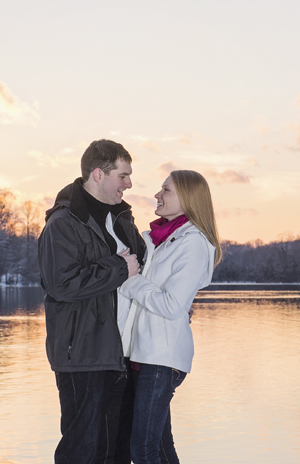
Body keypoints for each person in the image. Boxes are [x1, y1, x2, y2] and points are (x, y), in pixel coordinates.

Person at [38, 139, 146, 464]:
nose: (129, 183)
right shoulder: (63, 224)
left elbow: (143, 269)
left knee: (114, 453)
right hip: (83, 355)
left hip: (122, 354)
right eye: (123, 175)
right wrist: (118, 267)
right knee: (82, 452)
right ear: (98, 174)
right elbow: (62, 284)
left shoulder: (123, 221)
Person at [119, 170, 222, 464]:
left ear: (187, 199)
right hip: (142, 354)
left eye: (166, 190)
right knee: (160, 447)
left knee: (143, 448)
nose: (157, 195)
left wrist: (131, 279)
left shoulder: (194, 243)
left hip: (162, 359)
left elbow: (172, 305)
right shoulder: (156, 239)